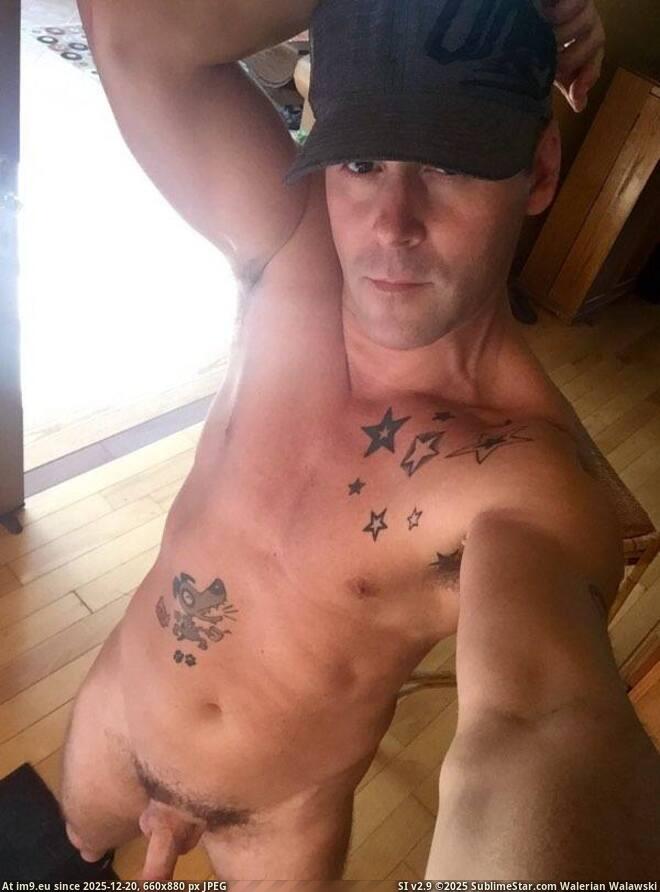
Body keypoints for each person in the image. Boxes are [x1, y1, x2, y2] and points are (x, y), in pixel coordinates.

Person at [61, 0, 658, 882]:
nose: (391, 223)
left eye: (450, 165)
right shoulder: (292, 257)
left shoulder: (523, 484)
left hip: (281, 819)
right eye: (362, 161)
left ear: (538, 170)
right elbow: (131, 33)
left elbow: (543, 731)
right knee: (72, 851)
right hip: (118, 722)